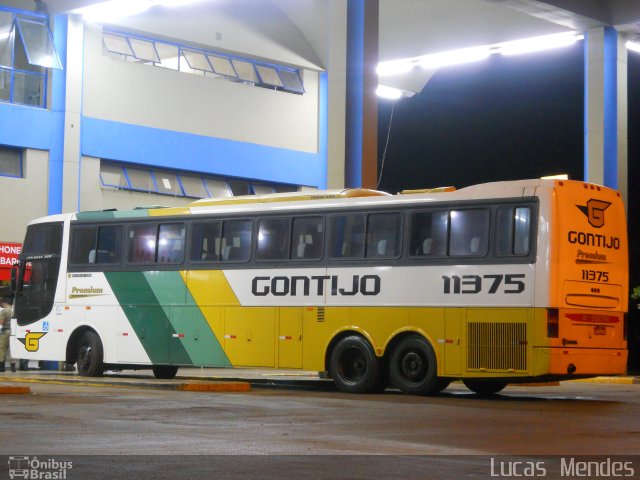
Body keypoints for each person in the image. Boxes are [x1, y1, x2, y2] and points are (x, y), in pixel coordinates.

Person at [0, 297, 15, 373]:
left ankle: (2, 368)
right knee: (12, 350)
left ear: (4, 302)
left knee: (2, 349)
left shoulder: (4, 311)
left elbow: (1, 322)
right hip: (13, 332)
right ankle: (13, 368)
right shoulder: (14, 310)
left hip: (5, 332)